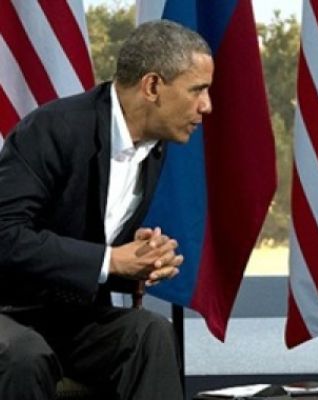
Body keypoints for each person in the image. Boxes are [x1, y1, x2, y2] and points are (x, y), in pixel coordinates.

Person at [0, 20, 213, 400]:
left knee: (150, 334)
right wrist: (111, 260)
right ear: (152, 86)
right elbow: (5, 235)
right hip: (7, 310)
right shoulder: (54, 128)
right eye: (197, 89)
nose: (206, 106)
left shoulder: (154, 147)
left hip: (65, 316)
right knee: (25, 356)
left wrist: (139, 261)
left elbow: (80, 233)